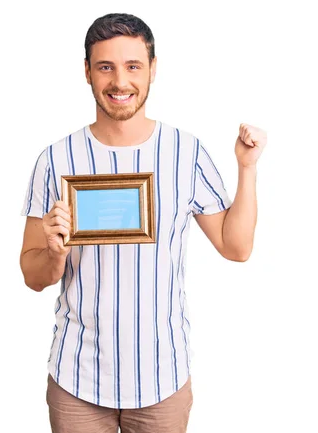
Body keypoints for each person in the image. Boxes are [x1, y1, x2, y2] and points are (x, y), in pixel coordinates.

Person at [19, 12, 266, 433]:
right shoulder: (56, 160)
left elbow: (235, 247)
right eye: (106, 66)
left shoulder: (184, 152)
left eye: (133, 65)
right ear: (87, 72)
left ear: (153, 69)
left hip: (162, 378)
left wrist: (246, 168)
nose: (120, 81)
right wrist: (56, 255)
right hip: (77, 378)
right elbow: (32, 274)